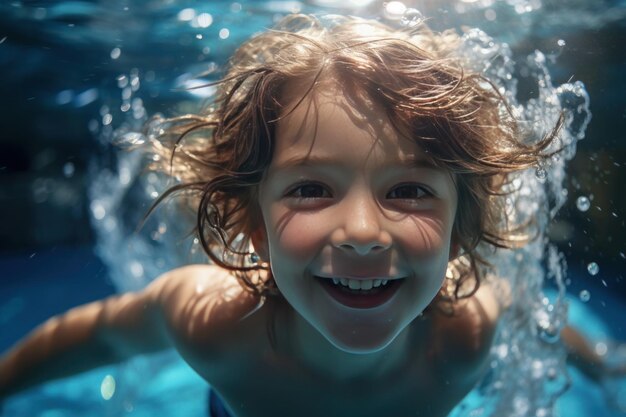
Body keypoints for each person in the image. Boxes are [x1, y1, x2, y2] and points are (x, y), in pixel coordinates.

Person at [0, 14, 621, 417]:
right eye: (311, 190)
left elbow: (524, 308)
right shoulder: (214, 325)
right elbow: (99, 334)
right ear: (251, 222)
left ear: (461, 228)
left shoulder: (463, 339)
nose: (360, 232)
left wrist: (600, 359)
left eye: (407, 190)